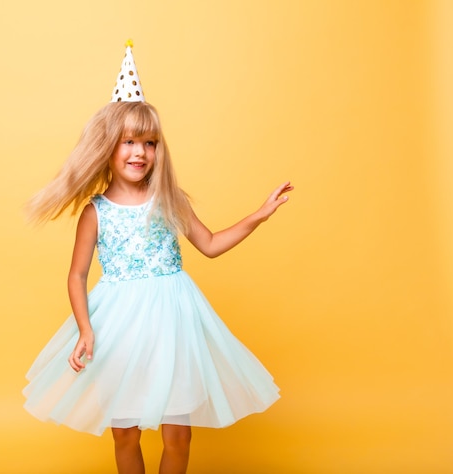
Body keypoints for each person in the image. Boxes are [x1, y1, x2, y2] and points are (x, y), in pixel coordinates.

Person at [23, 42, 293, 474]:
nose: (139, 153)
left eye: (149, 143)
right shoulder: (96, 212)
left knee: (178, 434)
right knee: (125, 433)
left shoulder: (169, 199)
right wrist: (86, 330)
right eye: (129, 141)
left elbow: (209, 244)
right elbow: (76, 276)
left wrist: (259, 215)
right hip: (119, 328)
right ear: (107, 147)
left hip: (173, 323)